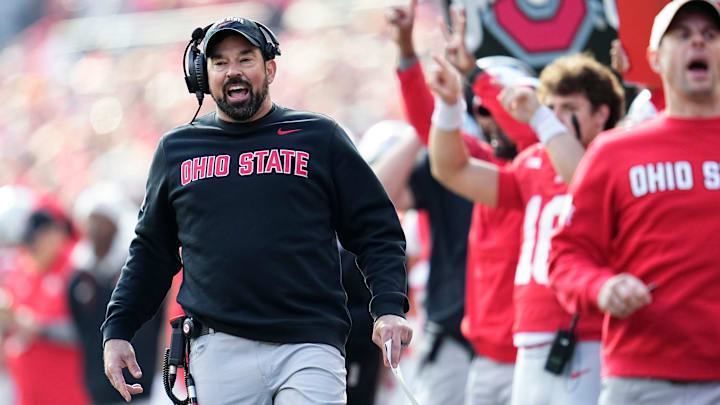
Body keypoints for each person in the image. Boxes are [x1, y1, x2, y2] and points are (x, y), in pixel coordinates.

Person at [101, 16, 412, 405]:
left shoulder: (320, 136)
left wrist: (388, 307)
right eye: (219, 62)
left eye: (245, 59)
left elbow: (377, 230)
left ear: (270, 68)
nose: (233, 71)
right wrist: (118, 330)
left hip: (309, 342)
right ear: (203, 75)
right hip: (218, 348)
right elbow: (150, 252)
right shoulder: (176, 149)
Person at [427, 50, 625, 405]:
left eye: (569, 109)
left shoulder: (611, 156)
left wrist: (540, 117)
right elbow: (452, 171)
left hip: (587, 333)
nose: (555, 118)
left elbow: (584, 182)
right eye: (552, 108)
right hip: (530, 333)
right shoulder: (534, 162)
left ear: (600, 114)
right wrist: (448, 105)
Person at [548, 1, 720, 404]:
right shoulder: (613, 151)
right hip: (644, 379)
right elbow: (565, 255)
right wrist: (602, 286)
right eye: (682, 34)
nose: (698, 40)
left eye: (711, 34)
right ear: (655, 59)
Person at [386, 3, 526, 404]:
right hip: (458, 334)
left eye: (506, 104)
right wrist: (407, 50)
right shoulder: (474, 162)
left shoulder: (553, 165)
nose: (492, 117)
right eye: (483, 107)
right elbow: (427, 121)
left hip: (534, 339)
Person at [68, 183, 163, 405]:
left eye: (102, 221)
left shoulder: (134, 272)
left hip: (141, 382)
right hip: (97, 383)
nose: (96, 229)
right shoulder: (79, 277)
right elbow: (79, 328)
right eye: (92, 221)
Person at [1, 205, 90, 405]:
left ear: (55, 235)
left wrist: (40, 329)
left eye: (35, 241)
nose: (30, 248)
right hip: (27, 390)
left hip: (66, 391)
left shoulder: (76, 270)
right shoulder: (20, 268)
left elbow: (89, 330)